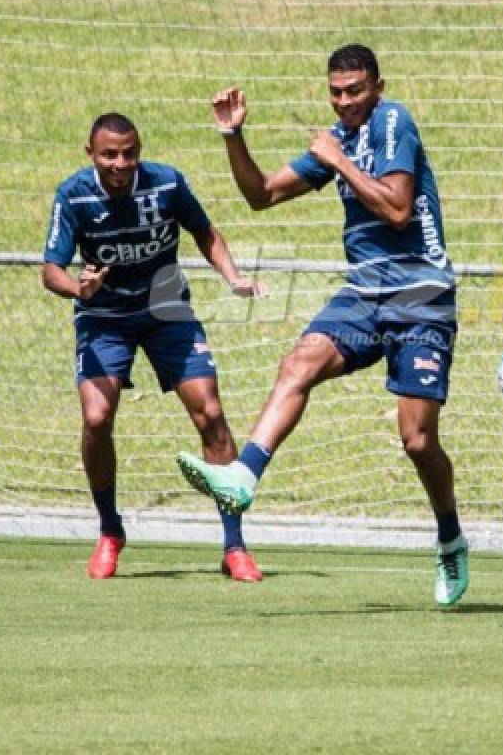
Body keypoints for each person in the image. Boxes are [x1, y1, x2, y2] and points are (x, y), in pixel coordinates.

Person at [175, 44, 469, 607]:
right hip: (364, 293)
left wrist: (337, 161)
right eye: (336, 92)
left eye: (355, 90)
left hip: (422, 295)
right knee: (298, 363)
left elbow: (399, 209)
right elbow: (261, 195)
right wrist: (233, 136)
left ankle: (450, 536)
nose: (345, 101)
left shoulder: (391, 120)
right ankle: (243, 478)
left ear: (377, 87)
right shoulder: (341, 139)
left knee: (417, 440)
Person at [43, 113, 267, 581]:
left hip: (167, 310)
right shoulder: (73, 195)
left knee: (210, 412)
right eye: (109, 155)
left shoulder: (166, 185)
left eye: (129, 153)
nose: (120, 163)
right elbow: (51, 270)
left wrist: (233, 277)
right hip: (103, 316)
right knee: (96, 418)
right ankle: (110, 531)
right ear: (91, 155)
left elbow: (205, 232)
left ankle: (234, 545)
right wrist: (78, 289)